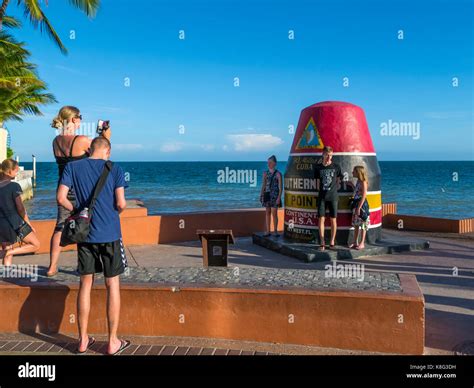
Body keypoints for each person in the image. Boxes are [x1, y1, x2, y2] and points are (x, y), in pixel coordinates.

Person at [56, 137, 129, 355]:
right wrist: (116, 213)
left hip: (85, 235)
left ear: (90, 150)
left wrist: (78, 211)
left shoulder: (72, 166)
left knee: (85, 284)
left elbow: (60, 198)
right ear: (108, 151)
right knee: (112, 284)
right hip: (110, 235)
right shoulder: (115, 168)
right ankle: (112, 342)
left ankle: (82, 340)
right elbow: (121, 204)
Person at [48, 106, 111, 277]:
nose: (81, 120)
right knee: (85, 225)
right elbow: (101, 149)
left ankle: (52, 266)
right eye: (80, 117)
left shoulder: (56, 141)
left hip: (63, 187)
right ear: (74, 119)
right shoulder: (82, 140)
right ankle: (83, 265)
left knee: (60, 227)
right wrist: (105, 133)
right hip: (82, 189)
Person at [0, 159, 40, 265]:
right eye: (16, 171)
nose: (17, 173)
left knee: (8, 250)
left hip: (1, 224)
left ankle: (6, 276)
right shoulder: (14, 186)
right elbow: (21, 208)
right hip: (15, 223)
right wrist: (28, 223)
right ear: (9, 171)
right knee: (35, 244)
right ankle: (7, 252)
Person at [315, 146, 343, 250]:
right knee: (321, 219)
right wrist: (321, 192)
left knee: (333, 220)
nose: (329, 157)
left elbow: (339, 180)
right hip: (322, 197)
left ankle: (332, 241)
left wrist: (334, 189)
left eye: (331, 155)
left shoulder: (336, 166)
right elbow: (317, 183)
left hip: (333, 197)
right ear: (323, 154)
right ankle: (322, 242)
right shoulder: (318, 167)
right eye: (327, 155)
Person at [259, 155, 283, 237]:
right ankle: (268, 231)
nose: (269, 164)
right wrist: (261, 195)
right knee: (267, 213)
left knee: (274, 213)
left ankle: (275, 231)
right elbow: (263, 185)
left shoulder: (278, 174)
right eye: (268, 162)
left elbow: (280, 187)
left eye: (270, 162)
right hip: (267, 195)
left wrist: (279, 198)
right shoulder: (265, 173)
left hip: (275, 195)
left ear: (275, 163)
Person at [348, 165, 370, 250]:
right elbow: (357, 192)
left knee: (363, 224)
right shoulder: (358, 181)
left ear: (358, 172)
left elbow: (364, 195)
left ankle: (362, 243)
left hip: (362, 204)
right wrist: (352, 185)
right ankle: (355, 242)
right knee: (356, 224)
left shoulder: (363, 182)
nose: (352, 172)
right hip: (357, 203)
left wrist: (359, 207)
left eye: (354, 171)